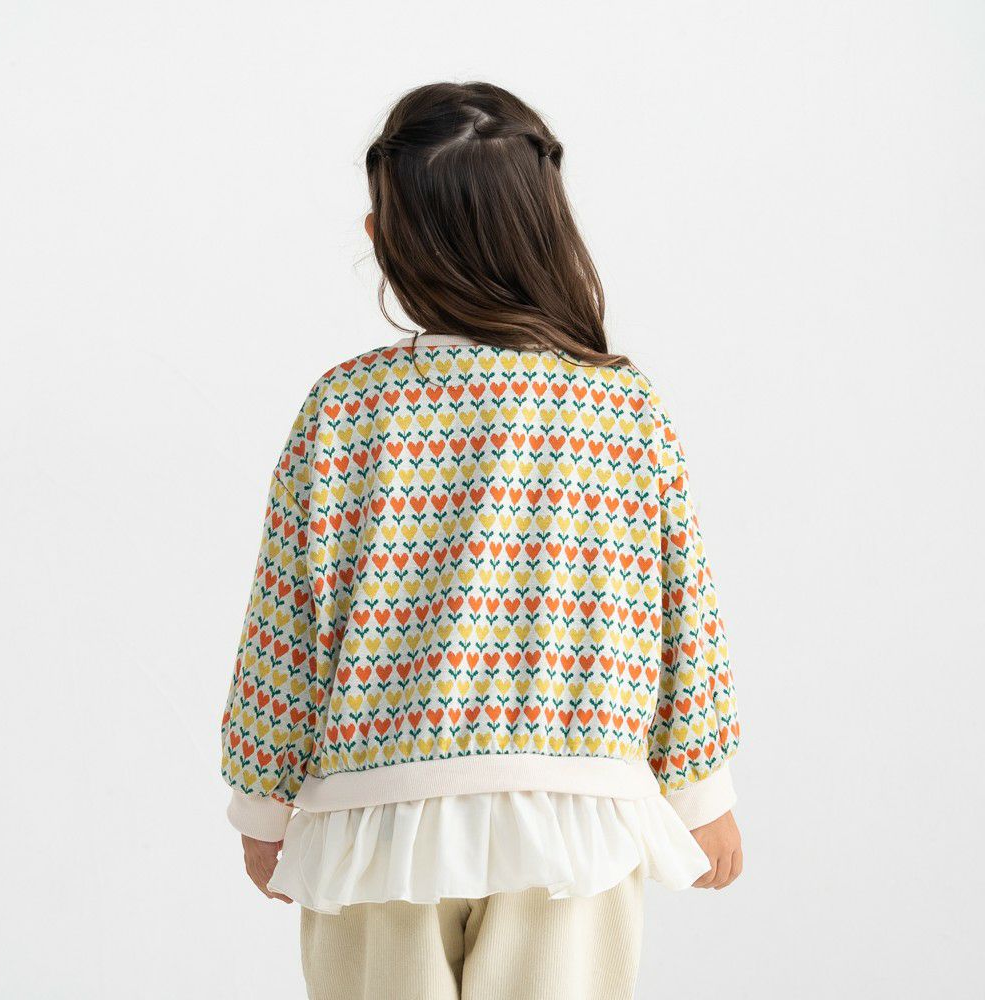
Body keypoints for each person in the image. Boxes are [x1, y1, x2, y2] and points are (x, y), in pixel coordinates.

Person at [219, 81, 743, 1000]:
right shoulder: (621, 408)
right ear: (548, 230)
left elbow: (285, 631)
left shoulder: (344, 410)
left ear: (384, 238)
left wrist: (262, 806)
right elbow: (681, 620)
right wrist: (703, 795)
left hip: (378, 828)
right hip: (573, 818)